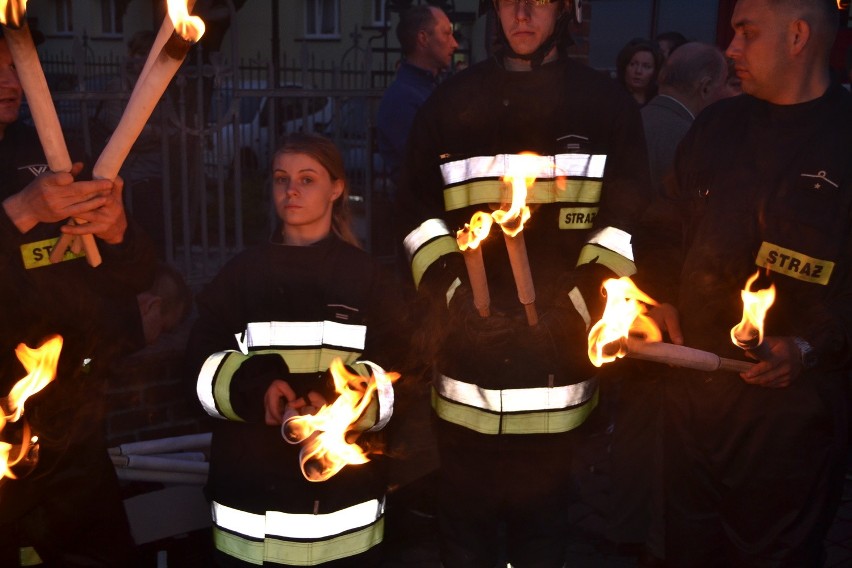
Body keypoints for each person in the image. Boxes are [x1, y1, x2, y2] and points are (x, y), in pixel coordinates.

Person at [397, 0, 650, 565]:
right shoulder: (450, 104)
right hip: (466, 380)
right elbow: (414, 216)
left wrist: (579, 302)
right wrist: (454, 294)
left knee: (546, 538)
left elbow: (629, 223)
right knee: (464, 542)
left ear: (564, 9)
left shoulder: (604, 107)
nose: (524, 13)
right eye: (510, 0)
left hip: (558, 377)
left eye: (539, 0)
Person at [647, 0, 852, 564]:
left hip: (788, 426)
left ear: (798, 36)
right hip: (694, 409)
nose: (730, 48)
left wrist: (809, 348)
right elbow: (665, 225)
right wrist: (661, 291)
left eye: (746, 32)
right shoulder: (716, 126)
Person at [185, 133, 410, 567]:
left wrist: (335, 403)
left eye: (307, 179)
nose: (291, 190)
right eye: (280, 178)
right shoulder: (242, 276)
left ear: (337, 188)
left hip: (344, 512)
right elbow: (199, 366)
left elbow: (403, 369)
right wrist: (256, 391)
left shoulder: (366, 279)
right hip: (251, 514)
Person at [0, 30, 158, 566]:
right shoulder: (30, 189)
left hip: (72, 422)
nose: (9, 78)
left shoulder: (51, 152)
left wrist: (117, 233)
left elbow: (136, 275)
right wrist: (20, 213)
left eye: (16, 65)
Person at [376, 5, 458, 186]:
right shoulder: (402, 99)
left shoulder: (437, 87)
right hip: (421, 209)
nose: (454, 43)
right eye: (446, 34)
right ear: (423, 38)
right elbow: (427, 163)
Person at [641, 42, 731, 197]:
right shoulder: (694, 141)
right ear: (706, 87)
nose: (725, 93)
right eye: (723, 85)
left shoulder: (631, 121)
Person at [616, 38, 664, 107]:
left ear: (655, 71)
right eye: (633, 64)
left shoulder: (660, 99)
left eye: (646, 66)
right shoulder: (612, 95)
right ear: (624, 66)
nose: (638, 71)